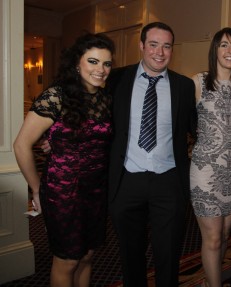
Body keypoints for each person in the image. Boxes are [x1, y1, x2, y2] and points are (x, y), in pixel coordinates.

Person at [13, 32, 115, 287]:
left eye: (106, 63)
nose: (100, 69)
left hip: (96, 190)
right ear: (76, 63)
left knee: (88, 256)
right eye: (93, 61)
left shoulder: (105, 100)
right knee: (67, 260)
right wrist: (36, 189)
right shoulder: (56, 96)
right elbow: (22, 145)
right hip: (62, 192)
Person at [107, 22, 197, 287]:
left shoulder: (183, 86)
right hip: (127, 179)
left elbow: (196, 127)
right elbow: (92, 113)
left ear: (172, 50)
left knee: (168, 255)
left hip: (168, 180)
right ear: (142, 46)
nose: (160, 52)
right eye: (154, 44)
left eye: (166, 46)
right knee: (129, 254)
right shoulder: (116, 79)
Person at [189, 27, 231, 287]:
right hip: (206, 170)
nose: (230, 51)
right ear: (214, 49)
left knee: (225, 234)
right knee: (213, 238)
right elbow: (181, 120)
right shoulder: (198, 81)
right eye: (224, 45)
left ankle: (210, 279)